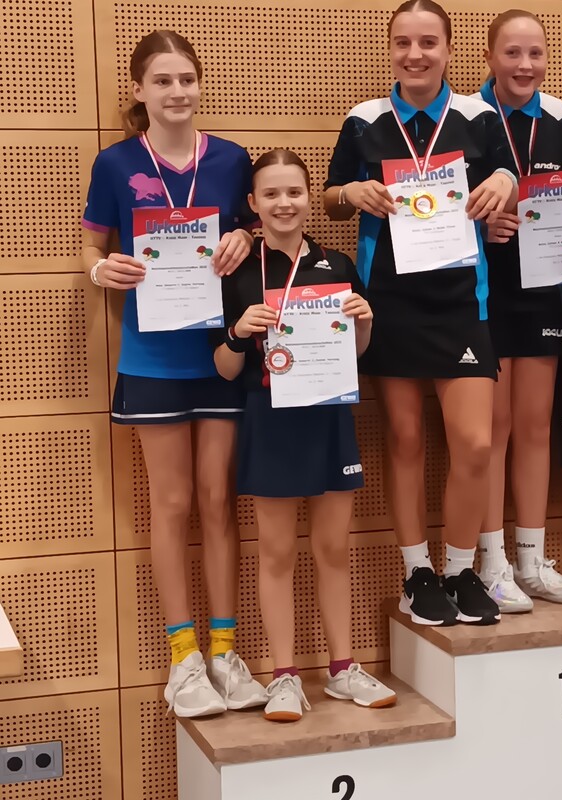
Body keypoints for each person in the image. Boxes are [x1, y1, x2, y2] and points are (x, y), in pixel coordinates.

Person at [81, 30, 264, 718]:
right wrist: (100, 269)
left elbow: (251, 229)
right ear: (139, 90)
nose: (177, 91)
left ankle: (225, 653)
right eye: (162, 81)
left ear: (199, 84)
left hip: (218, 353)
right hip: (153, 357)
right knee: (173, 503)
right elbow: (90, 246)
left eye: (186, 78)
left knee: (218, 502)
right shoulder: (115, 163)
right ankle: (182, 660)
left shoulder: (231, 159)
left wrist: (244, 234)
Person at [324, 0, 517, 626]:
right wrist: (351, 191)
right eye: (403, 42)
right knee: (406, 440)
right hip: (389, 301)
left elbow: (507, 175)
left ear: (449, 50)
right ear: (390, 49)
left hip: (462, 301)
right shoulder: (364, 121)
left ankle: (459, 569)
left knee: (476, 444)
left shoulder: (478, 116)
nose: (415, 54)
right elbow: (329, 198)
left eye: (428, 42)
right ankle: (417, 573)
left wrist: (506, 183)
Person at [213, 149, 397, 721]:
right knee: (275, 552)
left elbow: (357, 354)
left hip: (328, 416)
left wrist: (364, 323)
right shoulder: (238, 270)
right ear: (253, 203)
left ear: (308, 197)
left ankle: (342, 669)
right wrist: (238, 334)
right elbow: (223, 368)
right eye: (271, 194)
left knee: (334, 548)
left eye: (294, 192)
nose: (284, 203)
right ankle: (285, 676)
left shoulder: (336, 264)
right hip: (268, 418)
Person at [474, 9, 562, 610]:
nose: (525, 65)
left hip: (542, 289)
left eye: (535, 53)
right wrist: (481, 228)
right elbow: (441, 208)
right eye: (513, 53)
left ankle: (531, 560)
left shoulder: (561, 118)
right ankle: (490, 562)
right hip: (486, 291)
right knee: (493, 431)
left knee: (535, 427)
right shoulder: (466, 117)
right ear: (489, 57)